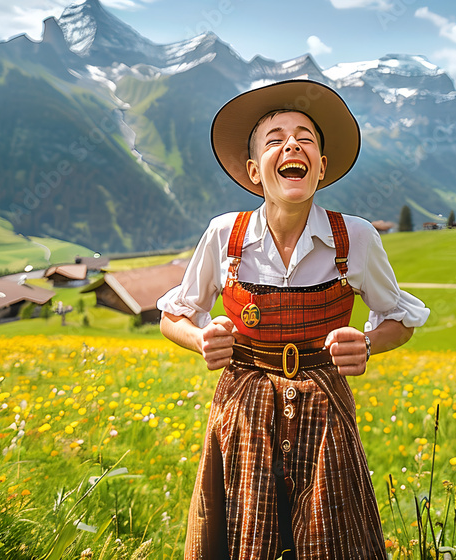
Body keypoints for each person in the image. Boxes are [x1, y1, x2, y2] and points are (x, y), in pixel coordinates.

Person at [157, 79, 429, 560]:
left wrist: (368, 345)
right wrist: (201, 338)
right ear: (253, 171)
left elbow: (399, 319)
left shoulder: (357, 239)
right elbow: (174, 315)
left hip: (326, 416)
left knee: (330, 538)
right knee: (246, 534)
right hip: (243, 415)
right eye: (275, 138)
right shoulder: (225, 235)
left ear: (321, 167)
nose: (292, 144)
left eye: (305, 136)